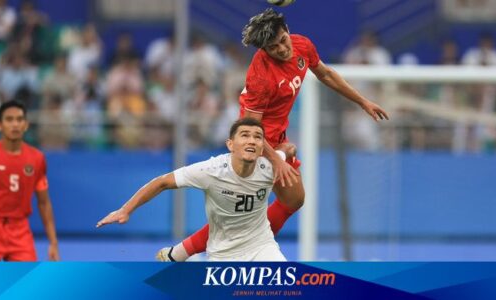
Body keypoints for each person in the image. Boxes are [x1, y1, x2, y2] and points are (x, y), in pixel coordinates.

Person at [170, 8, 389, 261]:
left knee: (294, 199)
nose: (282, 49)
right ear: (264, 50)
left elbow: (325, 74)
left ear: (288, 32)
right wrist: (276, 159)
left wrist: (362, 102)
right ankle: (190, 252)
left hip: (277, 139)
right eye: (274, 48)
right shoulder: (260, 74)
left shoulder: (302, 45)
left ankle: (184, 252)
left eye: (283, 41)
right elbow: (249, 129)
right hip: (254, 145)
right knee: (248, 217)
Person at [96, 118, 289, 261]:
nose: (251, 141)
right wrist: (125, 210)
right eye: (245, 135)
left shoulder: (270, 167)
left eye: (257, 137)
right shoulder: (211, 170)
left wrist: (287, 155)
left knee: (288, 290)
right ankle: (178, 256)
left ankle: (176, 255)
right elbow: (161, 182)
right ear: (230, 144)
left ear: (263, 146)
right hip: (223, 254)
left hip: (262, 247)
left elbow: (288, 149)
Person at [0, 100, 60, 261]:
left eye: (19, 119)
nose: (15, 124)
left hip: (20, 229)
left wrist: (53, 242)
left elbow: (44, 203)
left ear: (26, 125)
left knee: (26, 283)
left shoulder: (36, 158)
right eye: (9, 119)